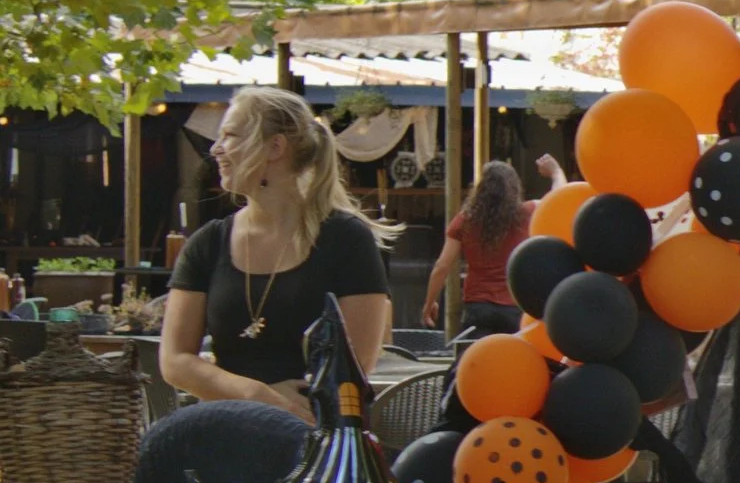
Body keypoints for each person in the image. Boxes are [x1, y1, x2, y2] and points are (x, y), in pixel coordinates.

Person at [163, 87, 395, 421]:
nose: (215, 149)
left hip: (317, 433)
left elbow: (353, 366)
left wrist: (283, 411)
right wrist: (258, 395)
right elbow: (174, 361)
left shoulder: (345, 240)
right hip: (222, 431)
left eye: (229, 136)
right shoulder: (207, 243)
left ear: (275, 147)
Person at [423, 156, 565, 335]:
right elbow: (558, 198)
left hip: (478, 307)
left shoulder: (464, 221)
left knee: (472, 361)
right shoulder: (527, 213)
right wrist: (556, 171)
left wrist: (429, 303)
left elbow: (442, 266)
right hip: (515, 307)